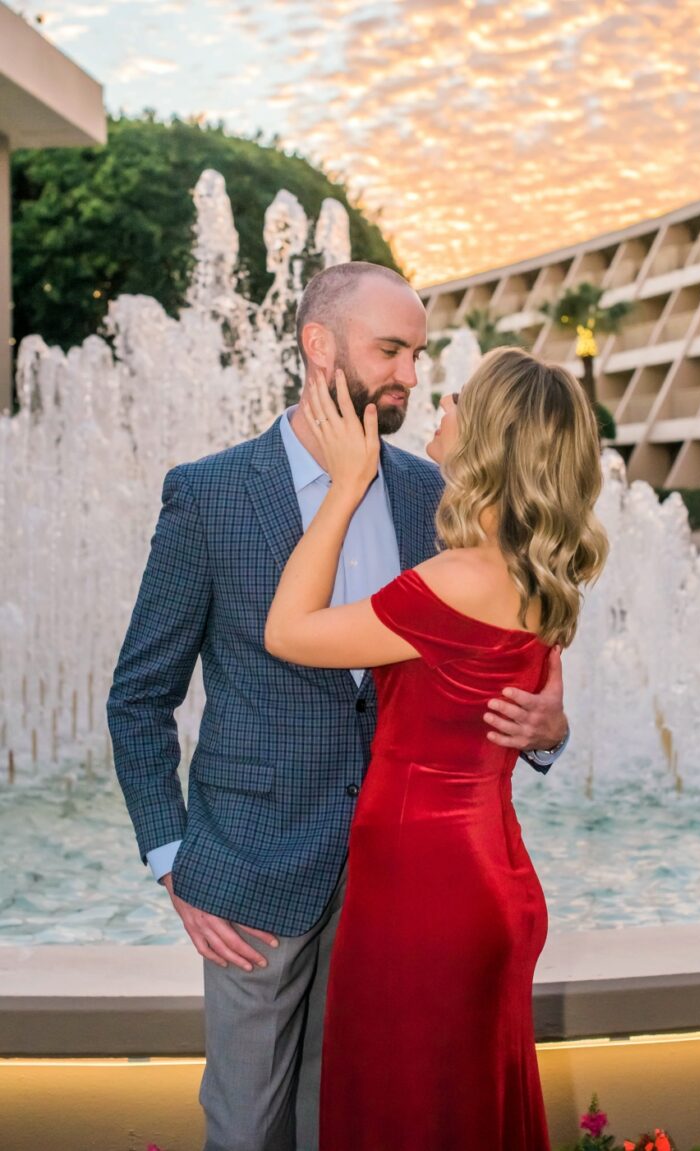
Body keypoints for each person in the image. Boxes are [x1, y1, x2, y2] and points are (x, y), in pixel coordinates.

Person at [107, 262, 570, 1151]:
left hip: (395, 895)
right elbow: (139, 697)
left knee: (353, 1125)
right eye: (390, 350)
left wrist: (549, 731)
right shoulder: (208, 496)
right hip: (250, 877)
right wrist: (175, 858)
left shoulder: (437, 495)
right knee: (246, 1131)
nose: (409, 374)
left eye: (419, 354)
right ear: (319, 347)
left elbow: (494, 658)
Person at [264, 349, 608, 1151]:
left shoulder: (454, 579)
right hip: (491, 877)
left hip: (425, 896)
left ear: (488, 436)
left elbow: (288, 630)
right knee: (464, 1115)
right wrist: (553, 733)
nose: (438, 403)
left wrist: (347, 485)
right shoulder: (535, 573)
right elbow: (515, 714)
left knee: (407, 1116)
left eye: (456, 395)